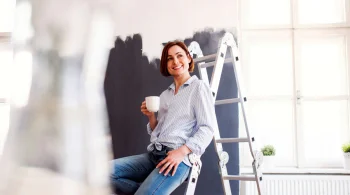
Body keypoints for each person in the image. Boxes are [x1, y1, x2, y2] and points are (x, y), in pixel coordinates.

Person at [110, 41, 218, 195]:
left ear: (188, 58)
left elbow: (207, 128)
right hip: (155, 154)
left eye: (179, 56)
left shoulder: (198, 88)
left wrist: (181, 152)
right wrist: (151, 116)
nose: (175, 61)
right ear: (166, 65)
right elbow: (159, 130)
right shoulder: (165, 95)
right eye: (169, 58)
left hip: (179, 158)